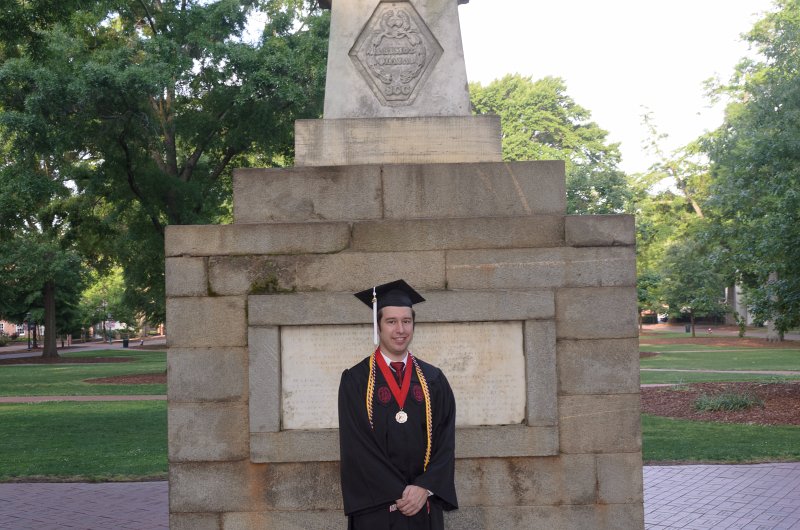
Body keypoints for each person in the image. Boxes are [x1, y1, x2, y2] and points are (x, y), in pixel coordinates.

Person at [338, 279, 458, 529]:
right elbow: (357, 447)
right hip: (376, 509)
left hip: (423, 505)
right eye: (391, 321)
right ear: (378, 326)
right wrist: (400, 493)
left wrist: (425, 487)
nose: (400, 329)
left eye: (406, 321)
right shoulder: (356, 381)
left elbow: (445, 441)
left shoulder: (433, 379)